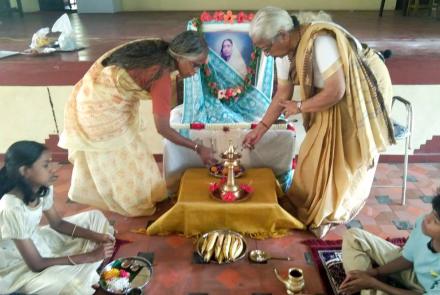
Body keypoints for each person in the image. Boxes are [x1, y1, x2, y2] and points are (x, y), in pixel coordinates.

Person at [243, 7, 395, 237]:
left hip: (363, 87)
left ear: (284, 35)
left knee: (344, 151)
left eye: (267, 48)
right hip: (333, 91)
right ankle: (309, 204)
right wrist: (260, 129)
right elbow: (282, 94)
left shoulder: (321, 42)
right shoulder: (285, 54)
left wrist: (301, 107)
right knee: (314, 148)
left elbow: (337, 91)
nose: (267, 54)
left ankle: (331, 213)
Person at [59, 31, 216, 217]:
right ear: (181, 57)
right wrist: (198, 147)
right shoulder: (161, 75)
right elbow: (163, 128)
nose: (195, 72)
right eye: (195, 65)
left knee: (136, 154)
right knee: (122, 158)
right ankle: (133, 206)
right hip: (99, 109)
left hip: (103, 97)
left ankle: (146, 197)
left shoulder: (160, 49)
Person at [0, 141, 115, 295]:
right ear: (25, 171)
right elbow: (36, 264)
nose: (53, 168)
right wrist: (89, 256)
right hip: (18, 263)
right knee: (72, 285)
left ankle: (88, 268)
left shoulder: (42, 187)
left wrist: (98, 236)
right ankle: (89, 268)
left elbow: (57, 223)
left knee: (95, 217)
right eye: (45, 165)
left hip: (37, 240)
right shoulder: (11, 208)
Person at [340, 189, 440, 294]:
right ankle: (366, 286)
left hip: (427, 290)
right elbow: (407, 258)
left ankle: (369, 289)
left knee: (377, 289)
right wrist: (375, 272)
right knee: (354, 237)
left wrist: (374, 284)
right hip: (413, 272)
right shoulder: (423, 223)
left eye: (436, 221)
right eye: (432, 212)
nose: (427, 219)